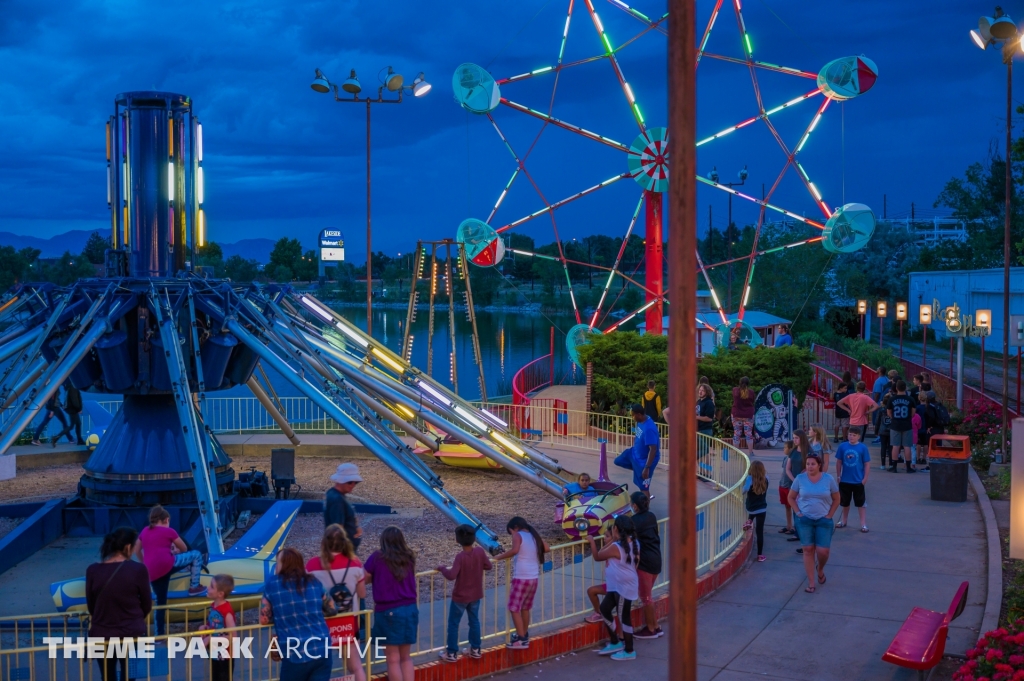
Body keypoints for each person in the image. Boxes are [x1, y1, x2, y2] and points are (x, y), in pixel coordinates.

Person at [86, 527, 152, 681]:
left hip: (101, 634)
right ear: (127, 547)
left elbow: (91, 606)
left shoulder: (93, 570)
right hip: (130, 633)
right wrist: (133, 617)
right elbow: (147, 604)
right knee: (130, 675)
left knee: (107, 676)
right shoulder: (138, 570)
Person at [259, 548, 335, 681]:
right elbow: (332, 609)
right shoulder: (314, 582)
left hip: (294, 652)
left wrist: (278, 616)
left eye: (277, 563)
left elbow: (263, 619)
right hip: (322, 649)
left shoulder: (272, 584)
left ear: (283, 564)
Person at [306, 524, 366, 681]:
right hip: (348, 621)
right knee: (356, 666)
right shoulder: (355, 564)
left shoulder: (312, 565)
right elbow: (362, 593)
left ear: (324, 542)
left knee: (319, 669)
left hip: (321, 623)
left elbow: (307, 594)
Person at [135, 505, 205, 636]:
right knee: (196, 554)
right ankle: (194, 587)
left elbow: (136, 549)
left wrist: (144, 562)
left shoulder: (144, 531)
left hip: (152, 572)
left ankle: (159, 636)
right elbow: (184, 548)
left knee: (160, 604)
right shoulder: (169, 531)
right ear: (166, 520)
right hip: (168, 564)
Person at [364, 527, 418, 680]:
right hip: (410, 608)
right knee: (406, 657)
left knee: (393, 659)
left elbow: (364, 576)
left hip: (388, 611)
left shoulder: (377, 557)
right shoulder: (409, 557)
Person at [437, 524, 493, 662]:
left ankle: (451, 653)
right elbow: (489, 566)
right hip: (475, 595)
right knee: (474, 621)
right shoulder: (479, 552)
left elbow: (451, 575)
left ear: (457, 540)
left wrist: (442, 568)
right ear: (474, 539)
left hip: (460, 596)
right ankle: (475, 649)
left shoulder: (460, 557)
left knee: (453, 623)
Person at [587, 516, 640, 661]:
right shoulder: (633, 543)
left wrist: (592, 541)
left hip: (624, 587)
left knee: (624, 618)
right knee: (604, 609)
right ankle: (615, 641)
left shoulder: (617, 547)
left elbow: (598, 556)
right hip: (617, 586)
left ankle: (629, 651)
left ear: (616, 529)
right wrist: (613, 539)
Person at [493, 517, 550, 649]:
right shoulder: (533, 535)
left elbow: (514, 550)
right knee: (525, 607)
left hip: (521, 577)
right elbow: (547, 548)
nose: (512, 535)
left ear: (515, 527)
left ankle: (521, 639)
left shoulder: (518, 535)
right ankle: (524, 633)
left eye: (511, 532)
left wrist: (498, 557)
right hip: (533, 576)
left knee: (514, 608)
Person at [788, 453, 840, 594]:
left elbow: (837, 499)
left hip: (823, 520)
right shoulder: (800, 479)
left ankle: (820, 569)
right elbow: (791, 498)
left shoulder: (828, 479)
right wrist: (799, 513)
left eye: (813, 464)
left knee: (823, 551)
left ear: (819, 465)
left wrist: (830, 515)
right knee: (808, 550)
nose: (810, 466)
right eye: (808, 464)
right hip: (805, 520)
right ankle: (811, 582)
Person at [629, 491, 663, 638]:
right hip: (656, 558)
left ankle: (650, 628)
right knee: (647, 595)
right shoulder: (651, 516)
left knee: (646, 597)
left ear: (635, 506)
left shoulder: (634, 521)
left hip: (645, 562)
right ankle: (655, 626)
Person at [614, 404, 660, 499]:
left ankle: (645, 509)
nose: (632, 417)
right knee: (618, 461)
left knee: (644, 488)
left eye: (633, 415)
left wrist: (647, 467)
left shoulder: (649, 429)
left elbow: (653, 449)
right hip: (633, 453)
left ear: (639, 414)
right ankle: (637, 470)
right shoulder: (641, 421)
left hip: (644, 461)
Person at [834, 429, 871, 533]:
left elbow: (867, 464)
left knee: (861, 503)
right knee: (845, 502)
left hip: (858, 481)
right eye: (850, 435)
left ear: (858, 436)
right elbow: (839, 462)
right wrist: (838, 476)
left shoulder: (863, 448)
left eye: (854, 435)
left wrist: (865, 478)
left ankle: (863, 524)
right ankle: (843, 521)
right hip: (845, 480)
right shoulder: (843, 446)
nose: (851, 437)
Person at [203, 575, 237, 681]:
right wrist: (205, 627)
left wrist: (210, 639)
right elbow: (215, 625)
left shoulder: (226, 611)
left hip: (225, 655)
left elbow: (233, 636)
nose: (208, 588)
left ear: (220, 594)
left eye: (212, 586)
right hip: (215, 652)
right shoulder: (213, 605)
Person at [325, 463, 363, 552]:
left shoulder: (332, 494)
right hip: (344, 551)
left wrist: (355, 528)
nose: (353, 485)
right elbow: (338, 530)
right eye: (349, 482)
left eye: (356, 482)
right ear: (340, 481)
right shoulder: (337, 500)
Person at [742, 460, 769, 562]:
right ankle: (760, 555)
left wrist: (746, 487)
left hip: (751, 507)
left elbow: (744, 490)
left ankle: (749, 521)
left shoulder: (750, 479)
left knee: (752, 512)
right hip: (762, 508)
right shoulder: (766, 479)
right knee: (759, 531)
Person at [888, 380, 916, 473]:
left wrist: (893, 418)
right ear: (905, 388)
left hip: (895, 424)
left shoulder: (892, 399)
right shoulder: (910, 399)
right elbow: (913, 413)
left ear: (896, 388)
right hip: (907, 424)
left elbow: (889, 412)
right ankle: (908, 467)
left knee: (895, 446)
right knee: (907, 446)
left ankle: (894, 467)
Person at [777, 440, 798, 538]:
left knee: (794, 507)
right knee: (787, 506)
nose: (783, 449)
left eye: (785, 447)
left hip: (790, 486)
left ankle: (795, 527)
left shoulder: (793, 459)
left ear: (790, 449)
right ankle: (789, 525)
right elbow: (783, 472)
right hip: (783, 485)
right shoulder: (785, 458)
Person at [54, 382, 85, 446]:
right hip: (73, 410)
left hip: (72, 409)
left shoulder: (69, 387)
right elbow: (75, 400)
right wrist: (79, 409)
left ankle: (80, 440)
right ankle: (56, 438)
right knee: (71, 426)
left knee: (78, 424)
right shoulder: (73, 388)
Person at [731, 377, 756, 455]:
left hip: (736, 414)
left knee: (737, 433)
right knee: (748, 434)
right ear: (748, 384)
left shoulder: (735, 390)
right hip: (748, 415)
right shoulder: (751, 392)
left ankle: (735, 453)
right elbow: (752, 401)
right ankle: (750, 452)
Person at [870, 367, 891, 442]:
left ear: (880, 371)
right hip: (885, 402)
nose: (877, 369)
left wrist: (873, 403)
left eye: (878, 369)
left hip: (878, 403)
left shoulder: (878, 381)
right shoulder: (886, 379)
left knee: (877, 420)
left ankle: (878, 436)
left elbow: (877, 393)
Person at [832, 378, 851, 443]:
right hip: (845, 412)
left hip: (837, 411)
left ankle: (836, 437)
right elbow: (847, 402)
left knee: (837, 425)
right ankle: (844, 438)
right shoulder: (845, 394)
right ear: (840, 388)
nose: (846, 389)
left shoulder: (835, 394)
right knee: (844, 425)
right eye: (845, 388)